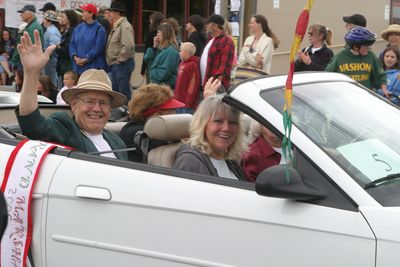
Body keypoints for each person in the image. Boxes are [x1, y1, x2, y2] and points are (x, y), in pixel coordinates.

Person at [16, 30, 128, 160]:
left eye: (103, 103)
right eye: (90, 101)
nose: (97, 108)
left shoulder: (117, 141)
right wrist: (31, 73)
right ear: (74, 104)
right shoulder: (66, 128)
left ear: (110, 109)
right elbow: (33, 125)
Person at [173, 94, 246, 180]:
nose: (226, 128)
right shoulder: (189, 162)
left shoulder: (230, 161)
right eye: (218, 121)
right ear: (202, 125)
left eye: (232, 122)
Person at [119, 83, 185, 162]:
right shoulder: (134, 132)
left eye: (174, 109)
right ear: (153, 113)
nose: (174, 113)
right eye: (170, 109)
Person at [325, 27, 389, 96]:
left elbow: (380, 76)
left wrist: (384, 89)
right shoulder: (340, 57)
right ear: (355, 47)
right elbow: (327, 76)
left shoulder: (371, 56)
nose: (369, 48)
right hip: (345, 97)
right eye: (366, 46)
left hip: (365, 97)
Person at [106, 2, 135, 100]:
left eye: (111, 11)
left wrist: (119, 59)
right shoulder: (118, 26)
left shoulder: (124, 26)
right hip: (118, 64)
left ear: (117, 13)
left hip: (122, 64)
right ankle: (121, 113)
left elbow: (128, 46)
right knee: (118, 93)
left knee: (123, 93)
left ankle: (127, 113)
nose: (109, 14)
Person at [69, 3, 107, 75]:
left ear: (91, 14)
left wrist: (87, 59)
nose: (82, 13)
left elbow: (98, 48)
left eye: (84, 11)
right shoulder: (78, 27)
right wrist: (74, 56)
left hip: (93, 68)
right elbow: (72, 43)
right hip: (78, 68)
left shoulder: (100, 29)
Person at [200, 14, 235, 91]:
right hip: (206, 83)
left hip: (215, 86)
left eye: (208, 24)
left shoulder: (227, 41)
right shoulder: (211, 40)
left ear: (215, 25)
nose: (207, 26)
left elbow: (224, 65)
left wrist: (218, 83)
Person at [144, 23, 180, 88]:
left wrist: (152, 73)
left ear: (165, 34)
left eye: (159, 32)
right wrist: (154, 47)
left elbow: (164, 73)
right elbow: (148, 60)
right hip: (159, 86)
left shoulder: (171, 51)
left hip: (166, 88)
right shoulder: (161, 49)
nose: (157, 35)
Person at [11, 4, 44, 71]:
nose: (21, 15)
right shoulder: (31, 26)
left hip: (27, 61)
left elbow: (27, 48)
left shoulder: (33, 27)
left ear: (29, 14)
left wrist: (15, 60)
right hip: (27, 60)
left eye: (23, 13)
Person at [174, 42, 201, 114]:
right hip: (178, 101)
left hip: (187, 103)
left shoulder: (192, 65)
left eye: (181, 51)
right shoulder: (182, 63)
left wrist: (188, 101)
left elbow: (193, 84)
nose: (179, 53)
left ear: (187, 52)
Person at [55, 9, 80, 81]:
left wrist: (58, 48)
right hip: (64, 64)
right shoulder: (66, 30)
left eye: (63, 16)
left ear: (69, 18)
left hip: (68, 64)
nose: (61, 18)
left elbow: (67, 49)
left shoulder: (72, 31)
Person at [140, 12, 165, 82]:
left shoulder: (151, 34)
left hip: (152, 63)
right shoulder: (165, 34)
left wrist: (143, 69)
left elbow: (146, 51)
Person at [42, 10, 61, 88]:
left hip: (52, 61)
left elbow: (55, 46)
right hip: (49, 61)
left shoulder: (53, 31)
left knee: (52, 83)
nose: (43, 21)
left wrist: (46, 53)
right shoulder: (50, 30)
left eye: (44, 19)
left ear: (48, 20)